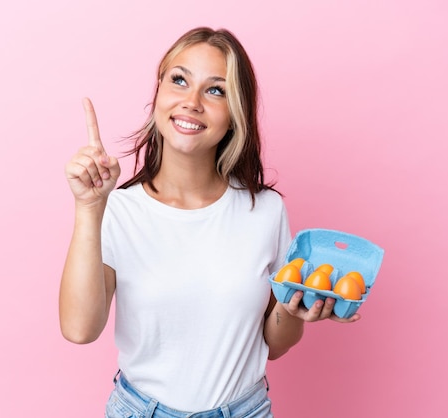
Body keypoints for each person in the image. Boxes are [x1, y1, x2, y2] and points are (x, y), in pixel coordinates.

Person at [60, 26, 359, 418]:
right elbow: (80, 330)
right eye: (179, 80)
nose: (191, 102)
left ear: (235, 113)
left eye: (215, 90)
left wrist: (293, 308)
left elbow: (275, 344)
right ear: (158, 95)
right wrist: (88, 207)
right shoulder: (117, 209)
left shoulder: (265, 211)